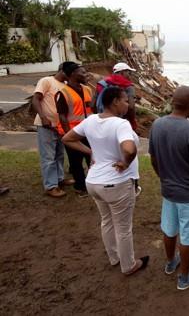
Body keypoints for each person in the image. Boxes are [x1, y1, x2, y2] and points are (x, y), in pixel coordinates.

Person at [62, 86, 148, 275]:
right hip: (116, 183)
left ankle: (114, 257)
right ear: (115, 101)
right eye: (125, 100)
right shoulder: (120, 124)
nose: (128, 104)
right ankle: (128, 265)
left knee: (107, 221)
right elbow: (129, 149)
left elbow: (67, 138)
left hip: (93, 182)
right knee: (123, 227)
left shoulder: (91, 120)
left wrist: (91, 151)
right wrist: (126, 162)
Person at [149, 86, 189, 290]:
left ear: (173, 103)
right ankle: (185, 278)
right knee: (188, 236)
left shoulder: (157, 124)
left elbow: (154, 160)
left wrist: (164, 178)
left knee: (169, 229)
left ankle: (170, 263)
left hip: (169, 191)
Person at [32, 64, 73, 197]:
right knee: (48, 156)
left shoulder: (66, 85)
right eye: (70, 72)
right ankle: (51, 186)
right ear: (62, 71)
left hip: (60, 126)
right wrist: (43, 117)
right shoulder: (47, 81)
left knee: (59, 154)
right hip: (46, 125)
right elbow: (36, 99)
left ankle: (59, 179)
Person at [56, 61, 93, 195]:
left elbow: (91, 111)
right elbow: (62, 117)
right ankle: (80, 187)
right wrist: (69, 135)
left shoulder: (87, 89)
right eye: (82, 72)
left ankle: (93, 183)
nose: (85, 74)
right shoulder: (63, 93)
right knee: (76, 162)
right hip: (73, 134)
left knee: (92, 158)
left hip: (88, 132)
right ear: (72, 74)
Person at [94, 62, 137, 131]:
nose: (129, 75)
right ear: (122, 72)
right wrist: (132, 123)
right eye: (128, 73)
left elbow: (93, 104)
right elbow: (131, 107)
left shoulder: (102, 83)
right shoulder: (128, 86)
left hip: (103, 121)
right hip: (120, 123)